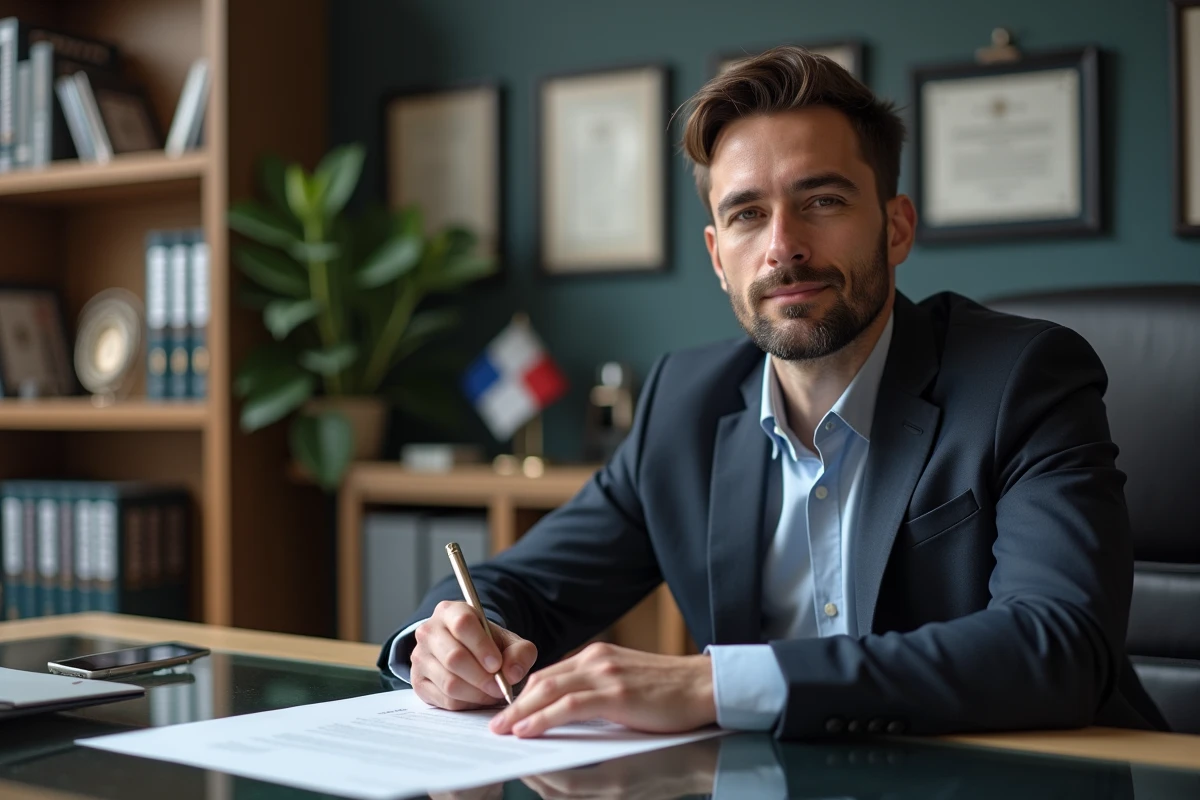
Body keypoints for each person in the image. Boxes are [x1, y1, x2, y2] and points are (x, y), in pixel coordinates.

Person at [378, 45, 1168, 739]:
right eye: (748, 215)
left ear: (895, 228)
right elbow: (524, 589)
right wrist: (446, 638)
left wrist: (715, 685)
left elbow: (1058, 648)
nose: (783, 248)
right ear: (719, 257)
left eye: (821, 201)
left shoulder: (1023, 379)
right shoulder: (685, 404)